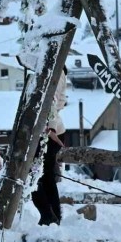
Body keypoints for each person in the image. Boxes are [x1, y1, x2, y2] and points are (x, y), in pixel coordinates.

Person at [32, 67, 67, 226]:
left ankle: (49, 216)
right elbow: (58, 102)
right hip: (50, 130)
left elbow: (51, 100)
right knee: (45, 178)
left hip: (48, 132)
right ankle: (52, 217)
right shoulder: (58, 71)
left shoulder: (54, 70)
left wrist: (51, 127)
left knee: (34, 177)